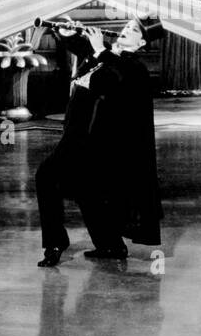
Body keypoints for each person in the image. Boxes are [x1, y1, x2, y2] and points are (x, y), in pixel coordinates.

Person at [36, 16, 166, 267]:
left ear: (141, 43)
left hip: (99, 141)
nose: (126, 30)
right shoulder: (105, 53)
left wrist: (100, 50)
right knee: (85, 190)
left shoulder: (133, 68)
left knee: (52, 178)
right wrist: (67, 31)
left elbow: (114, 80)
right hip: (77, 134)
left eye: (134, 30)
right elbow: (79, 46)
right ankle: (110, 245)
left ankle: (57, 243)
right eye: (127, 26)